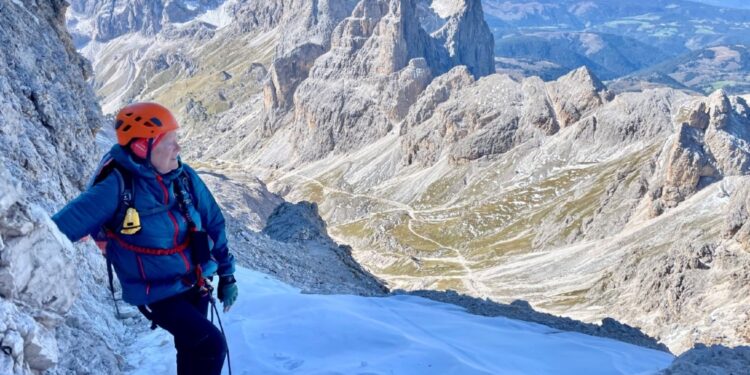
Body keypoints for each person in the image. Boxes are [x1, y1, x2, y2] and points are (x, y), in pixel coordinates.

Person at [52, 102, 237, 375]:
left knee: (189, 349)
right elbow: (56, 228)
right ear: (142, 147)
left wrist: (227, 274)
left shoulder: (183, 177)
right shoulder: (116, 187)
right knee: (212, 346)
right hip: (157, 293)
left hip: (195, 282)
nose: (178, 148)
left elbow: (213, 222)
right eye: (170, 141)